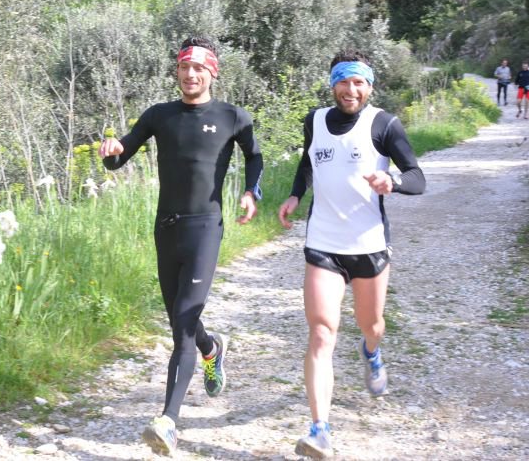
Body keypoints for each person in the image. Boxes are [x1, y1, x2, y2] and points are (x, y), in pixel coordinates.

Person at [99, 36, 263, 456]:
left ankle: (168, 420)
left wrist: (252, 192)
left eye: (199, 69)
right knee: (178, 318)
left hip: (205, 228)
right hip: (166, 228)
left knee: (184, 323)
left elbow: (254, 156)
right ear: (177, 71)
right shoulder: (160, 115)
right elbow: (119, 158)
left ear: (212, 73)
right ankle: (212, 348)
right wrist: (110, 152)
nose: (191, 75)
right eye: (184, 68)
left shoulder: (232, 116)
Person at [277, 50, 425, 459]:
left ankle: (371, 351)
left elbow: (417, 177)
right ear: (332, 84)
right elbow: (308, 161)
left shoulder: (384, 124)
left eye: (358, 82)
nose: (350, 89)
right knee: (322, 332)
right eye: (343, 81)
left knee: (371, 325)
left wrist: (392, 181)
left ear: (369, 86)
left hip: (369, 245)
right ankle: (319, 430)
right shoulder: (315, 120)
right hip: (323, 243)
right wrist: (295, 195)